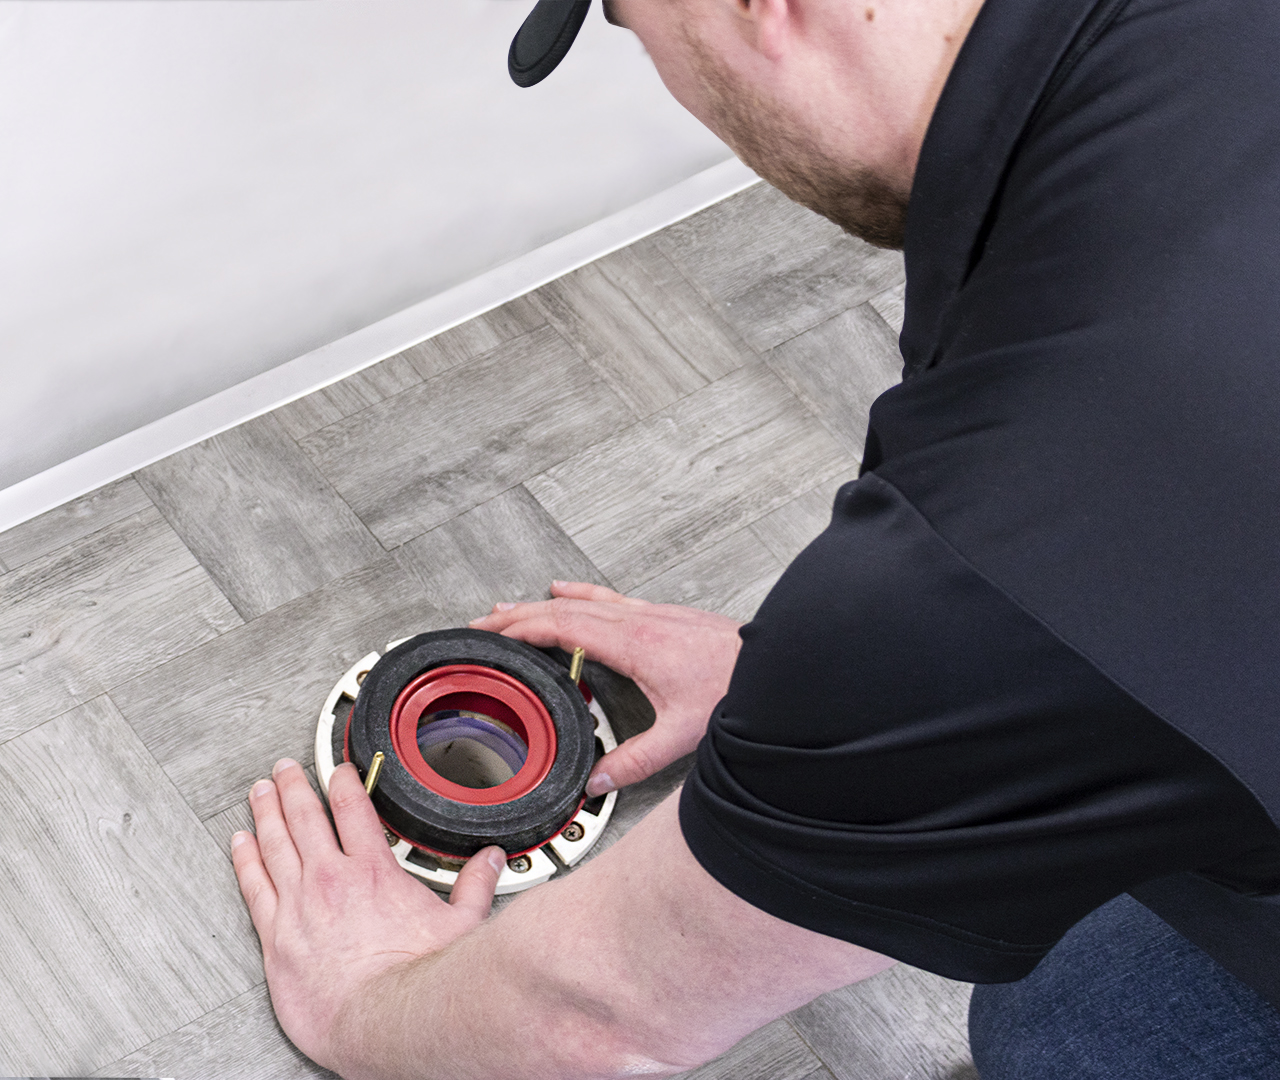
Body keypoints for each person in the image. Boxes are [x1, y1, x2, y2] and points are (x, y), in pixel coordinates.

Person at [231, 1, 1280, 1077]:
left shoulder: (1010, 544)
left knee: (1072, 1044)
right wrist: (850, 702)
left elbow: (597, 1025)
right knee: (1078, 1006)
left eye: (639, 33)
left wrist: (367, 1001)